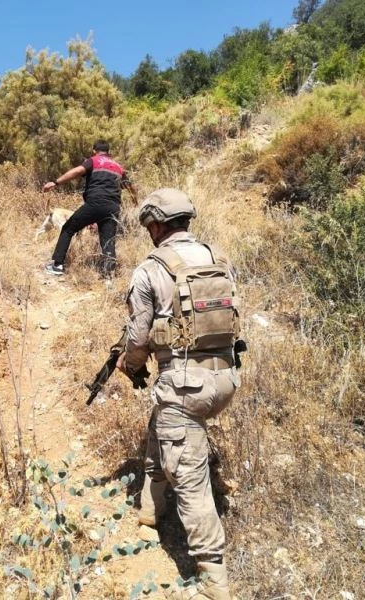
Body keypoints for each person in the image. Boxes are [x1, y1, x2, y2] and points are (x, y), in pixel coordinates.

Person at [117, 188, 240, 600]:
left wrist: (130, 364)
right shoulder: (216, 258)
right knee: (161, 426)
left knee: (190, 479)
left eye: (149, 225)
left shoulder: (149, 270)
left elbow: (138, 336)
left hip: (185, 387)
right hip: (225, 379)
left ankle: (213, 578)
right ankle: (152, 512)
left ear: (156, 225)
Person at [41, 139, 137, 278]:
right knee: (108, 240)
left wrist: (56, 182)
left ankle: (57, 265)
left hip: (94, 204)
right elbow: (130, 186)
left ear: (94, 151)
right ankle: (108, 274)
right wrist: (135, 201)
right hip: (113, 207)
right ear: (109, 152)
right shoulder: (118, 167)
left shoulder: (93, 161)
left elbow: (77, 171)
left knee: (68, 228)